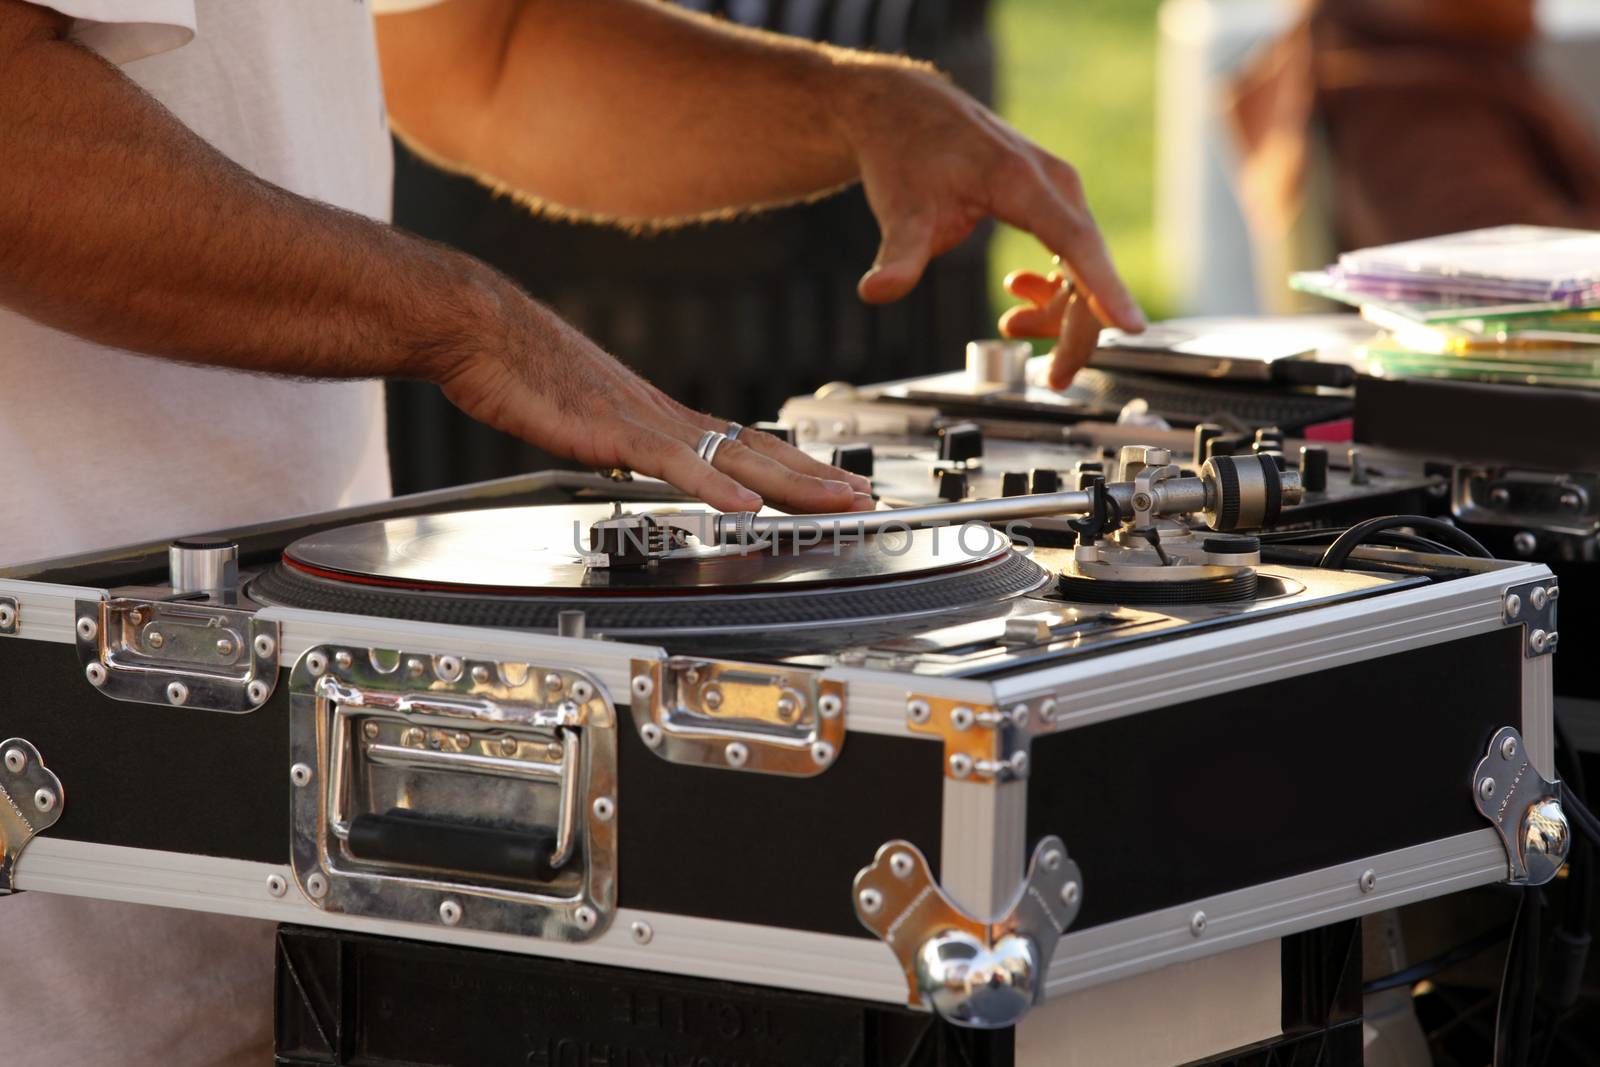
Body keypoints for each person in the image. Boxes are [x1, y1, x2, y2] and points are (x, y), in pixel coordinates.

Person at [0, 1, 1143, 1061]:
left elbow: (478, 57)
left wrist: (859, 106)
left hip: (302, 898)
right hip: (48, 883)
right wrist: (477, 324)